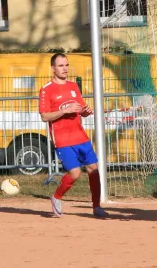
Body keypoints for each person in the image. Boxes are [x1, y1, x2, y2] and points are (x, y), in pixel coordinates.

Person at [40, 53, 108, 218]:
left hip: (80, 136)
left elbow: (80, 110)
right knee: (75, 173)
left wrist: (85, 111)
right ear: (53, 68)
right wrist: (64, 110)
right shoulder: (46, 89)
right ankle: (56, 197)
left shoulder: (73, 86)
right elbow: (44, 116)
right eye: (61, 66)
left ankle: (97, 206)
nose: (65, 69)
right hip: (63, 139)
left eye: (66, 65)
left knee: (93, 169)